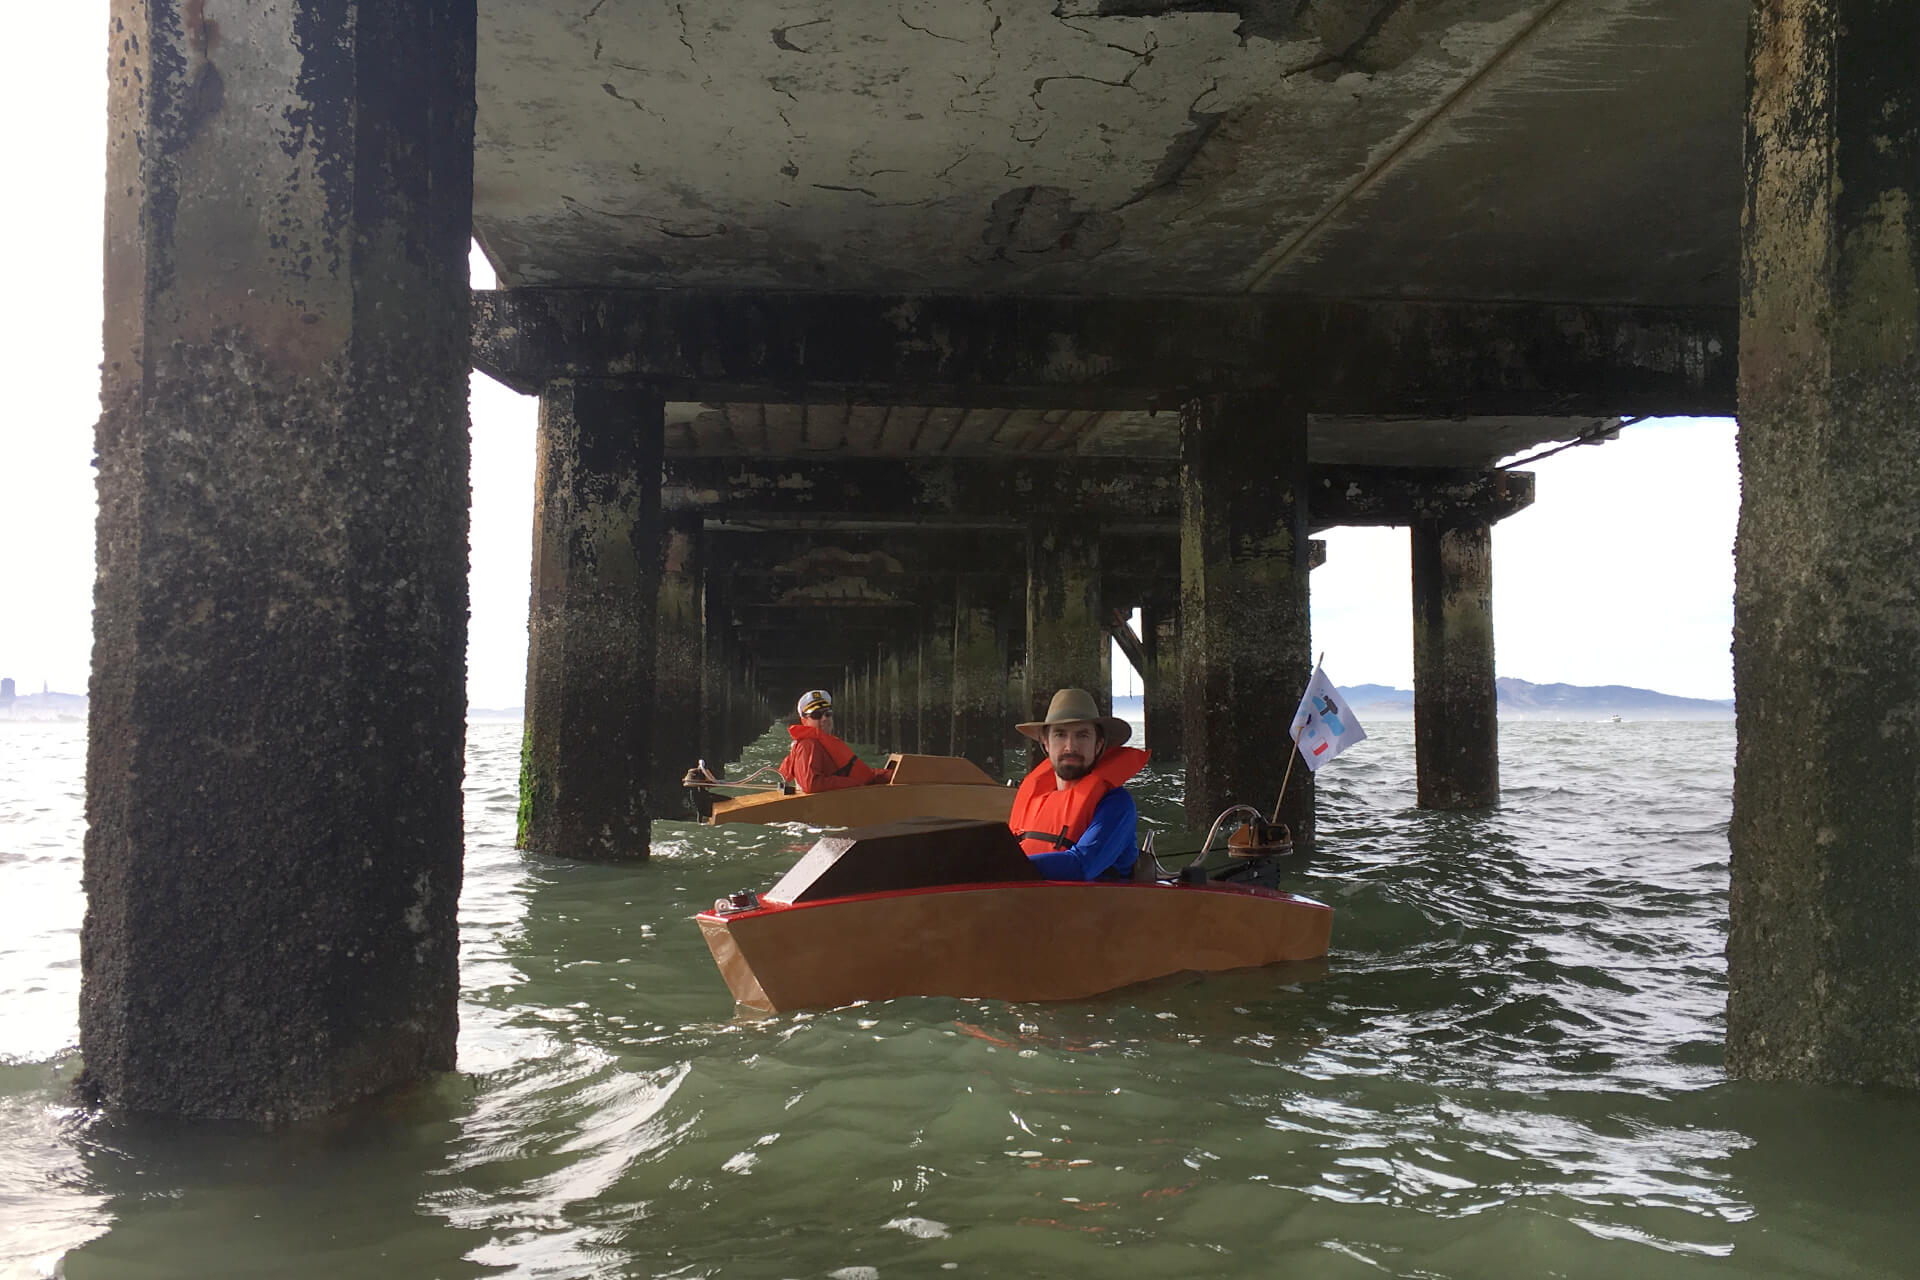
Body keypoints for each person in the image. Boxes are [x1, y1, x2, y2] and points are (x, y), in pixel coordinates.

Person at [1008, 688, 1149, 880]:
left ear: (1098, 745)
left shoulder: (1117, 804)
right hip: (1029, 902)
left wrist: (1001, 867)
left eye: (1082, 735)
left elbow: (1081, 866)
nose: (1070, 747)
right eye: (1060, 734)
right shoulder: (1032, 799)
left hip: (1098, 907)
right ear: (1045, 743)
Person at [776, 689, 893, 794]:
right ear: (804, 721)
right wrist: (855, 783)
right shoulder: (808, 745)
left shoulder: (822, 743)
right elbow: (811, 784)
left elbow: (865, 774)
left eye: (828, 714)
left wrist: (890, 774)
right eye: (816, 715)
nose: (824, 718)